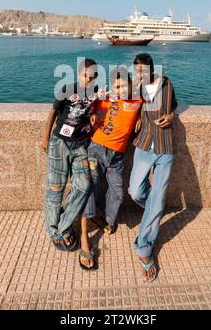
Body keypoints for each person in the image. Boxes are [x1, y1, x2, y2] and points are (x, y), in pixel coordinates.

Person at [79, 67, 143, 270]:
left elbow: (155, 79)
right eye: (116, 86)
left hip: (117, 156)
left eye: (123, 85)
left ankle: (106, 219)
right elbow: (86, 106)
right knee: (90, 185)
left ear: (131, 85)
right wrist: (94, 107)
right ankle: (88, 229)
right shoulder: (107, 99)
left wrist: (141, 117)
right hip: (97, 149)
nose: (119, 89)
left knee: (117, 191)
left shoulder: (138, 101)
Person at [129, 53, 178, 282]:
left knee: (157, 197)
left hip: (165, 146)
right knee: (135, 192)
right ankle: (154, 210)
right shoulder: (137, 88)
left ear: (151, 68)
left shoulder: (167, 83)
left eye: (143, 70)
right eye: (136, 70)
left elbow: (173, 106)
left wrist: (170, 115)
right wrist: (138, 115)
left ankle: (144, 249)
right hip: (144, 144)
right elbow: (122, 101)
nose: (140, 74)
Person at [42, 58, 98, 252]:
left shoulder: (95, 94)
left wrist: (94, 116)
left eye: (91, 77)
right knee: (55, 189)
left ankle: (64, 226)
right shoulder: (67, 88)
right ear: (79, 73)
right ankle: (52, 231)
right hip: (60, 143)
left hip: (80, 145)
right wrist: (45, 138)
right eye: (85, 75)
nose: (87, 80)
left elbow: (96, 110)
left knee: (84, 185)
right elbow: (52, 113)